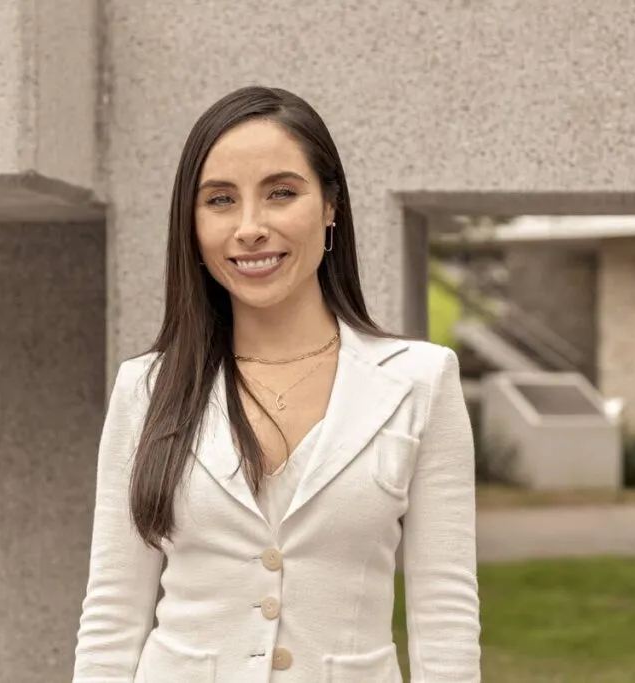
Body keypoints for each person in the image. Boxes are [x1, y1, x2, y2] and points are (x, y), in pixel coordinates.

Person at [72, 85, 481, 682]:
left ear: (331, 205)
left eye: (281, 193)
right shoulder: (147, 388)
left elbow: (444, 619)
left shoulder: (420, 382)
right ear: (191, 223)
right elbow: (112, 616)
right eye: (219, 200)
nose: (250, 228)